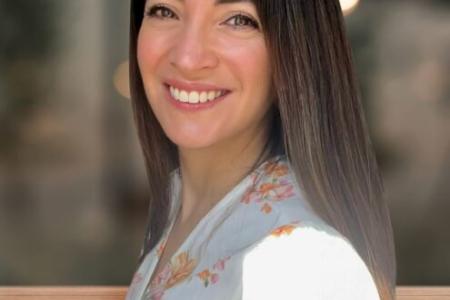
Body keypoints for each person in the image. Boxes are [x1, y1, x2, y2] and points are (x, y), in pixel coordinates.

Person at [125, 0, 397, 299]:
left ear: (297, 47)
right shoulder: (180, 214)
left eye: (239, 20)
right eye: (164, 11)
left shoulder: (299, 261)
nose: (188, 57)